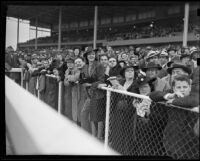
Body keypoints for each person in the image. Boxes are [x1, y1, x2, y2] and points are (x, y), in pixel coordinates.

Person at [149, 75, 199, 159]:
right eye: (179, 87)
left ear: (190, 87)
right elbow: (153, 95)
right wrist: (169, 96)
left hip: (190, 143)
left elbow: (193, 101)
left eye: (185, 87)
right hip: (171, 139)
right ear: (174, 88)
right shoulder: (172, 93)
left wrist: (173, 101)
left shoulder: (194, 95)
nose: (182, 89)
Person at [109, 65, 139, 155]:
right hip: (118, 111)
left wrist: (123, 90)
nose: (130, 72)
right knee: (118, 131)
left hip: (130, 112)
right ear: (124, 74)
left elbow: (135, 96)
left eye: (132, 70)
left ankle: (126, 152)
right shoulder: (121, 82)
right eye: (128, 71)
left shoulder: (136, 83)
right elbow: (116, 97)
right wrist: (114, 88)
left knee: (127, 134)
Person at [80, 46, 106, 139]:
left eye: (93, 54)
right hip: (89, 95)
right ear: (86, 56)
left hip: (98, 94)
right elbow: (83, 79)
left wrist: (90, 85)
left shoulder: (99, 65)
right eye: (89, 54)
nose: (91, 56)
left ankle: (98, 138)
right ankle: (91, 136)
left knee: (98, 117)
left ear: (95, 55)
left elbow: (102, 80)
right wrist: (84, 83)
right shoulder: (85, 66)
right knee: (89, 115)